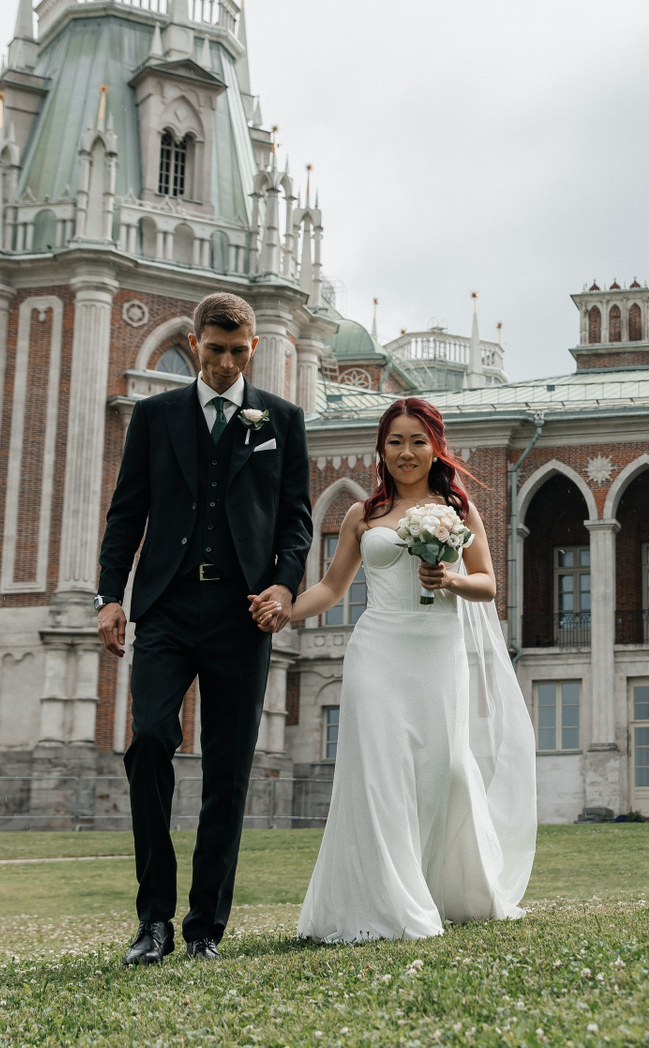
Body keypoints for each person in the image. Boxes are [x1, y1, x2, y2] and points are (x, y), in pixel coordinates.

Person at [257, 397, 534, 942]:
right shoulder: (363, 515)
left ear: (435, 447)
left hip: (438, 652)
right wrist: (285, 609)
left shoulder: (458, 509)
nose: (406, 452)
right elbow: (332, 588)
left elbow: (487, 585)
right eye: (395, 442)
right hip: (377, 652)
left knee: (441, 771)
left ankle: (439, 887)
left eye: (417, 441)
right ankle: (387, 903)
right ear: (382, 450)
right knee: (380, 774)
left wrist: (450, 579)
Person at [96, 292, 311, 965]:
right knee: (150, 741)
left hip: (242, 615)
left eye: (238, 351)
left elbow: (296, 520)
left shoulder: (282, 420)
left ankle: (204, 930)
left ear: (254, 348)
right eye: (214, 350)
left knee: (228, 769)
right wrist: (109, 596)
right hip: (165, 606)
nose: (225, 363)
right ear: (195, 345)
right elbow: (126, 513)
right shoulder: (155, 416)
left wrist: (284, 585)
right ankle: (152, 920)